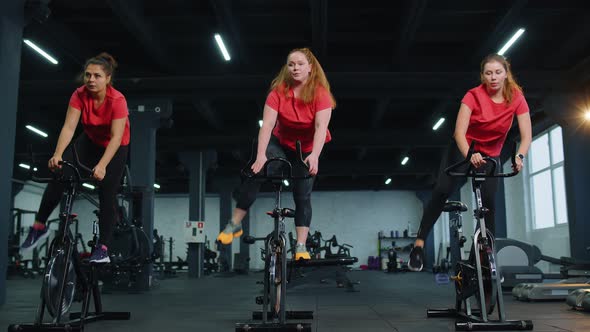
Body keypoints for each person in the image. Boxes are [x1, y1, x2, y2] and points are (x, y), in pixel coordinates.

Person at [408, 53, 532, 271]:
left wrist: (519, 156)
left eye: (498, 72)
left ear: (506, 73)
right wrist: (469, 155)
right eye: (488, 73)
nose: (493, 77)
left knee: (488, 206)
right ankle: (419, 244)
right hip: (464, 148)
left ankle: (482, 259)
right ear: (483, 76)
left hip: (491, 154)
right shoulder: (473, 96)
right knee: (442, 189)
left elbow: (526, 136)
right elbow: (458, 133)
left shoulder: (516, 97)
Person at [216, 47, 336, 260]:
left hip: (307, 148)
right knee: (257, 171)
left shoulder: (320, 94)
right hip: (281, 141)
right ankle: (234, 224)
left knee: (303, 195)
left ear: (310, 68)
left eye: (300, 64)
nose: (295, 68)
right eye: (291, 64)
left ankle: (300, 246)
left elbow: (320, 128)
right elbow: (267, 125)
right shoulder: (278, 92)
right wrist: (261, 155)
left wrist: (315, 155)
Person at [20, 52, 130, 264]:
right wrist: (58, 154)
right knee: (59, 174)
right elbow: (69, 127)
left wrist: (102, 166)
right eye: (88, 75)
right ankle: (39, 226)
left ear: (108, 79)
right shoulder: (79, 94)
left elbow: (116, 138)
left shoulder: (117, 100)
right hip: (89, 140)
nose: (91, 79)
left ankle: (103, 248)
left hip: (115, 147)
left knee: (107, 191)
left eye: (97, 76)